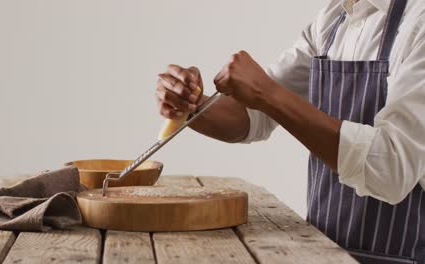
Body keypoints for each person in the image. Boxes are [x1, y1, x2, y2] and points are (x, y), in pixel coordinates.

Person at [155, 0, 425, 262]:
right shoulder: (333, 20)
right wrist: (193, 104)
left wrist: (266, 92)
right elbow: (253, 116)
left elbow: (392, 167)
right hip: (325, 252)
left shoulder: (419, 20)